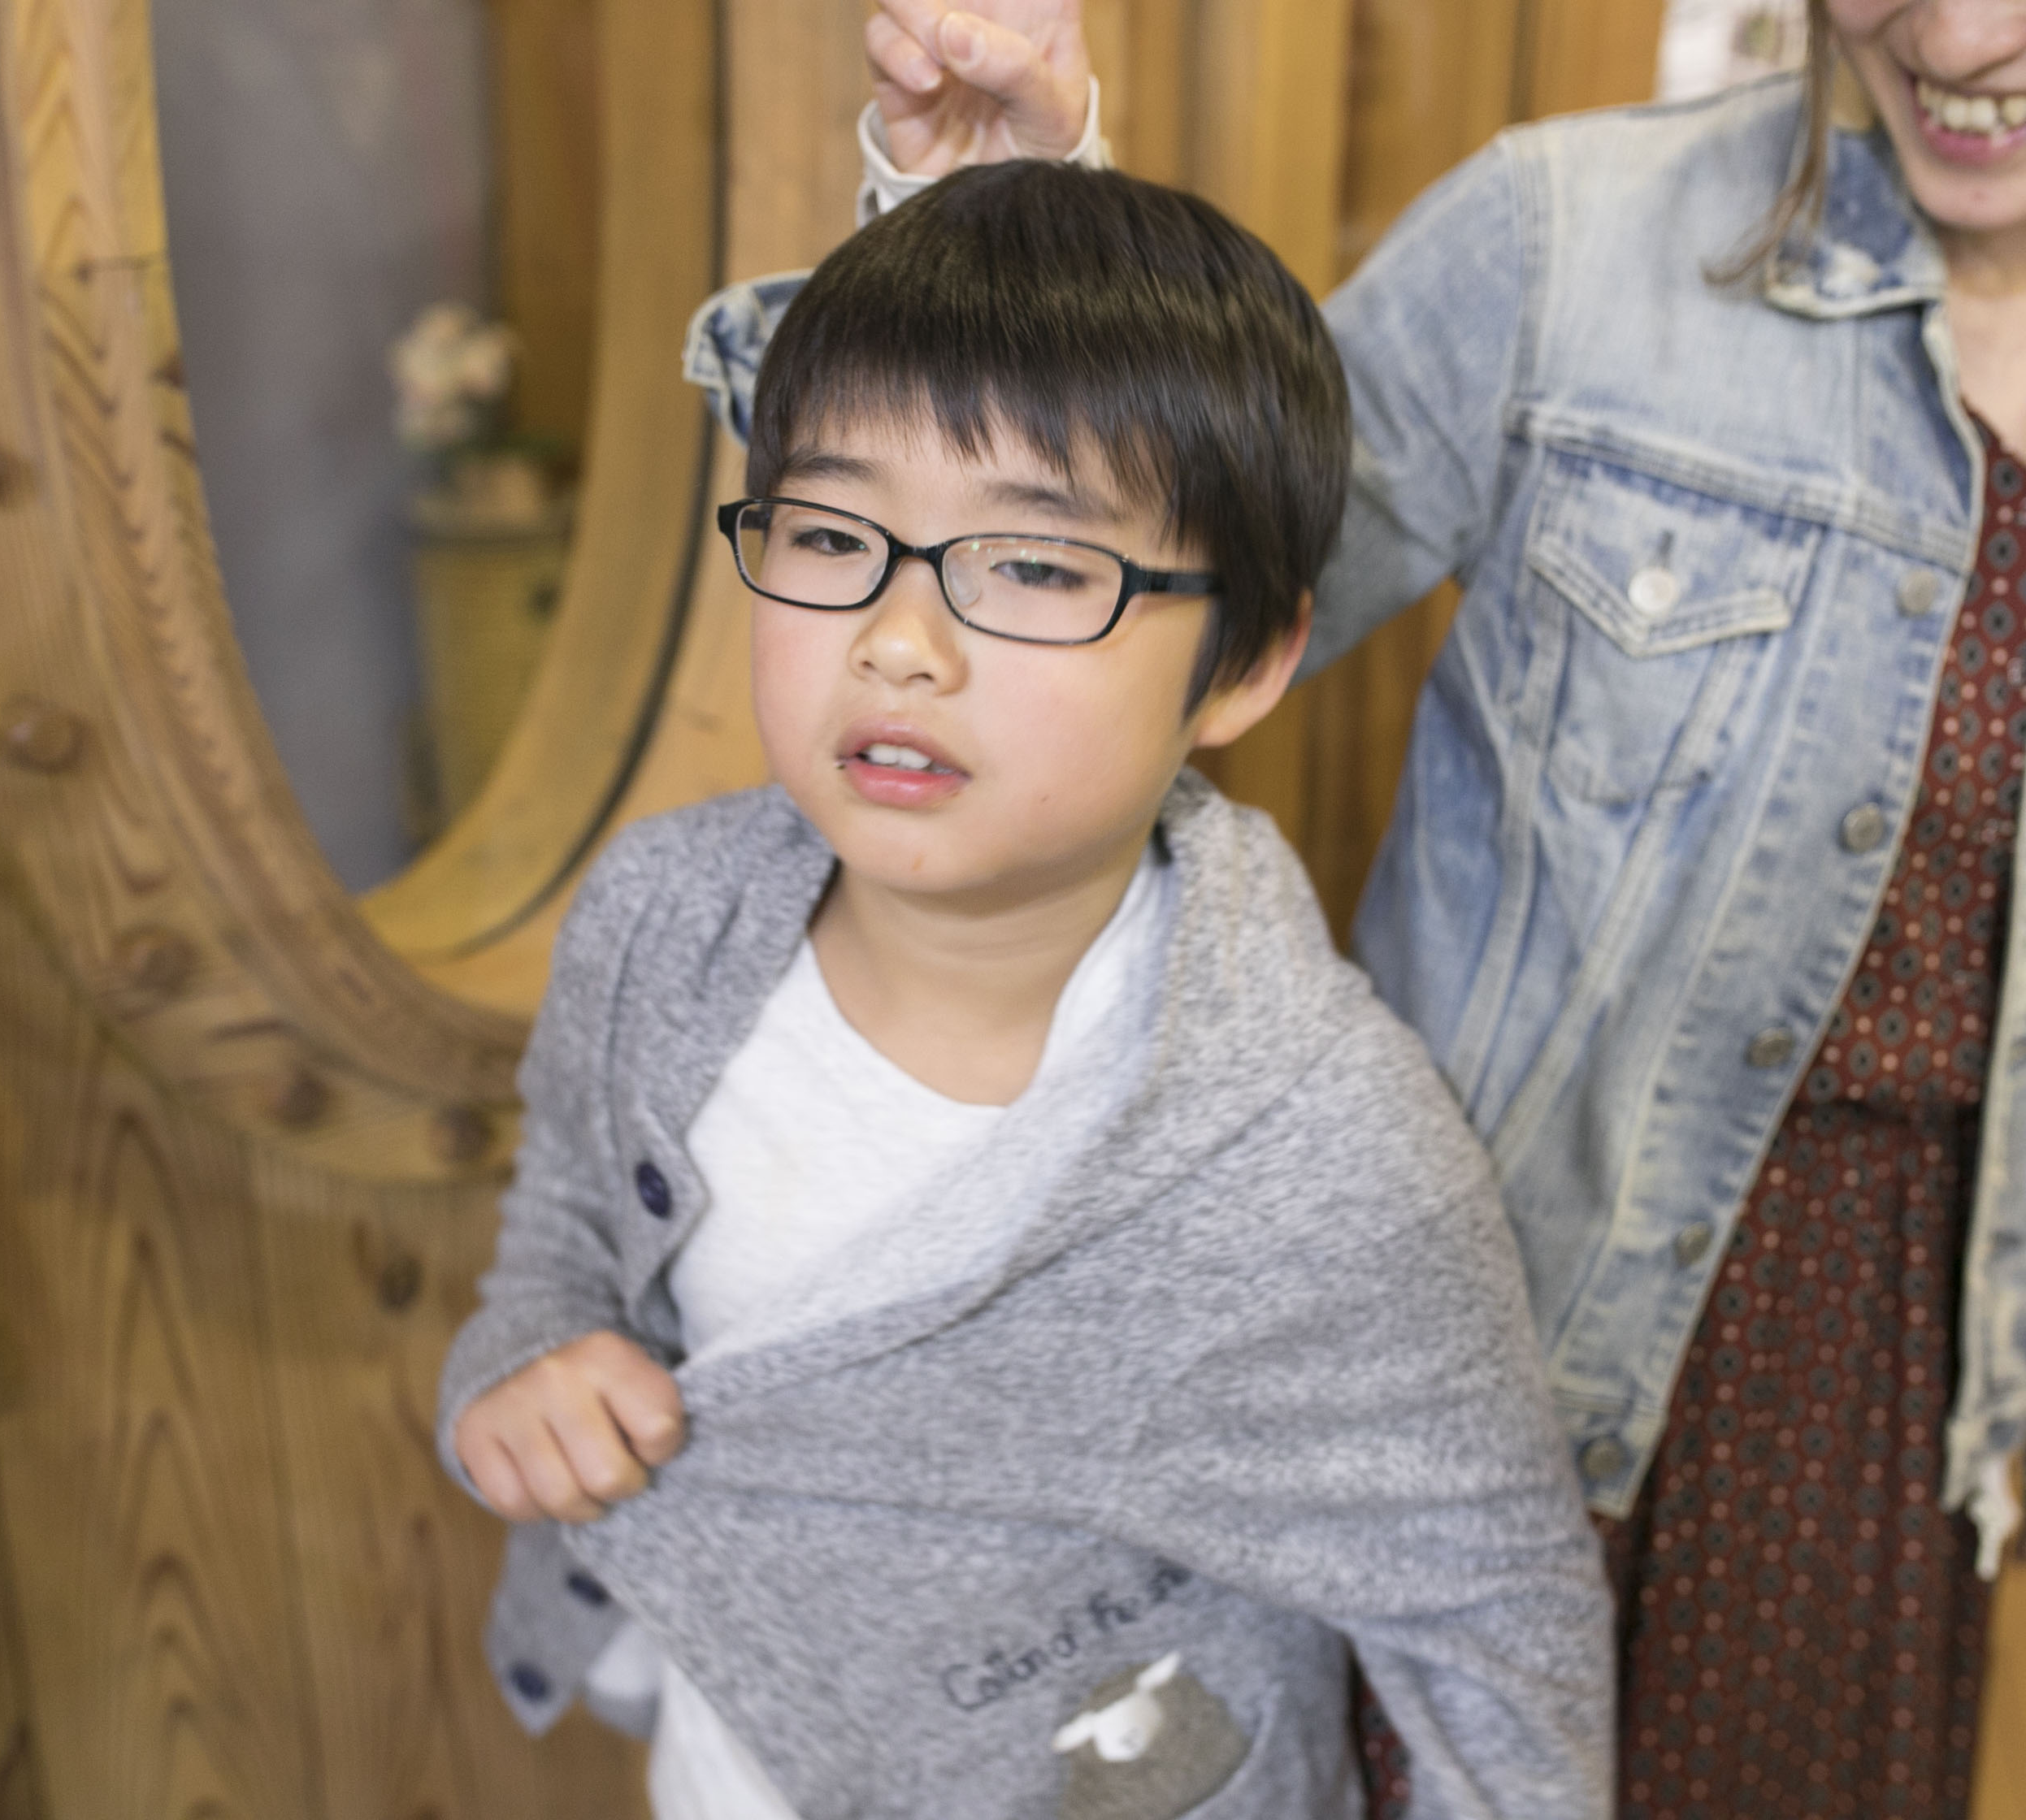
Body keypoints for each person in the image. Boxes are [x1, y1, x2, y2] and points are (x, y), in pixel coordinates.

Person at [740, 2, 2026, 1815]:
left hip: (1896, 1400)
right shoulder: (1563, 243)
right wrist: (1012, 239)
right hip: (1460, 1348)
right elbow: (1156, 606)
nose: (1962, 29)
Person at [436, 161, 1614, 1820]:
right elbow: (564, 1214)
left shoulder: (1325, 1164)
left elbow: (1498, 1629)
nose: (900, 640)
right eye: (832, 535)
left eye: (1038, 569)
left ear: (1247, 660)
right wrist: (528, 1354)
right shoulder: (662, 921)